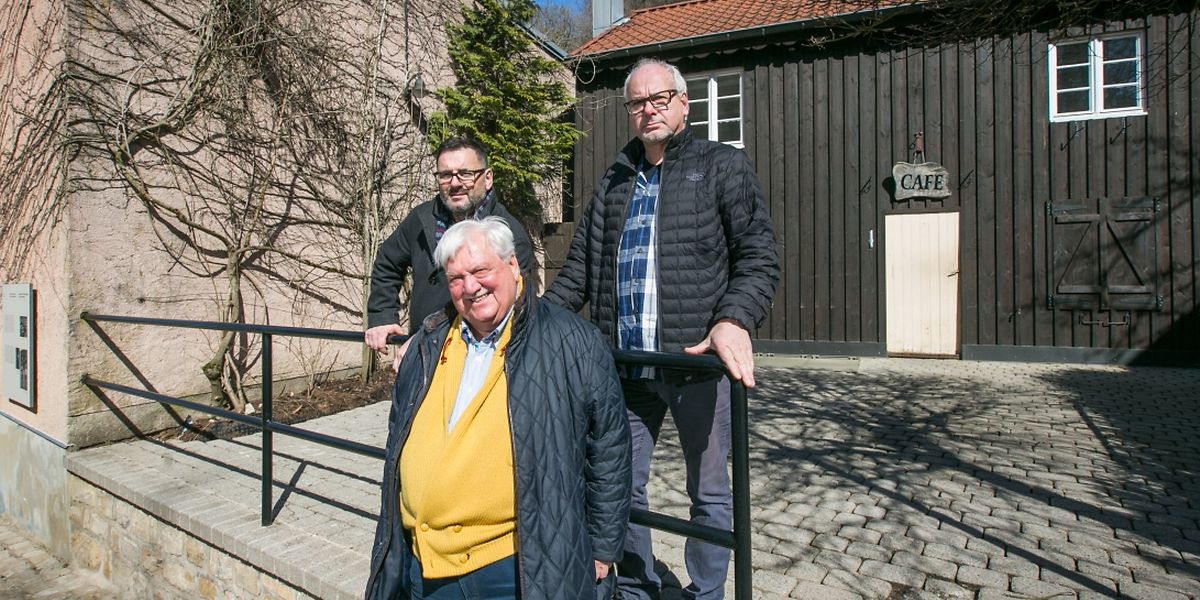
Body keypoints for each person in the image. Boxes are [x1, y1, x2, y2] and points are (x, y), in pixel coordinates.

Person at [543, 57, 779, 600]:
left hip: (695, 364)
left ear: (683, 104)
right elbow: (577, 272)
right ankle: (637, 587)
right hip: (626, 368)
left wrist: (733, 319)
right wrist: (532, 324)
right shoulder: (614, 180)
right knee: (621, 486)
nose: (648, 110)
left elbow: (758, 255)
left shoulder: (721, 166)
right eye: (637, 103)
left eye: (659, 99)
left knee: (709, 491)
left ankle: (706, 593)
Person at [364, 217, 631, 600]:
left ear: (512, 265)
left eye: (480, 271)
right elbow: (397, 441)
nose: (470, 287)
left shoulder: (572, 340)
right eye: (456, 279)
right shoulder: (428, 343)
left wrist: (603, 546)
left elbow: (609, 447)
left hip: (513, 567)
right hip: (423, 561)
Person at [365, 137, 535, 370]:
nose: (454, 183)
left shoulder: (508, 235)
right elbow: (387, 263)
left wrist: (429, 336)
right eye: (445, 175)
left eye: (465, 174)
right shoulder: (421, 219)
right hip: (423, 359)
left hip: (480, 363)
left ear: (488, 178)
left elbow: (509, 308)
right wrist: (382, 316)